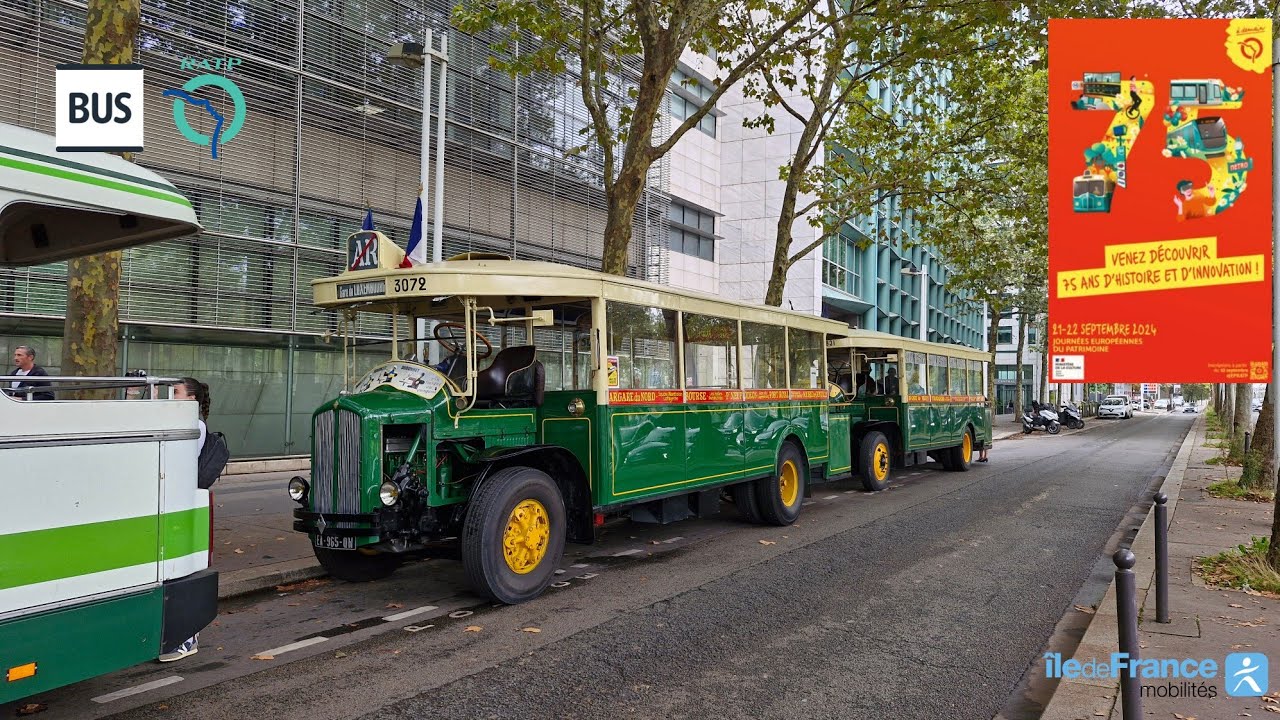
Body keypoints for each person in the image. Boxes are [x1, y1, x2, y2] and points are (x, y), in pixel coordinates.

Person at [158, 377, 212, 663]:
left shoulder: (195, 427)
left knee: (182, 570)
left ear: (191, 399)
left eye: (175, 392)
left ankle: (187, 638)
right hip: (173, 506)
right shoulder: (180, 423)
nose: (170, 396)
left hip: (183, 507)